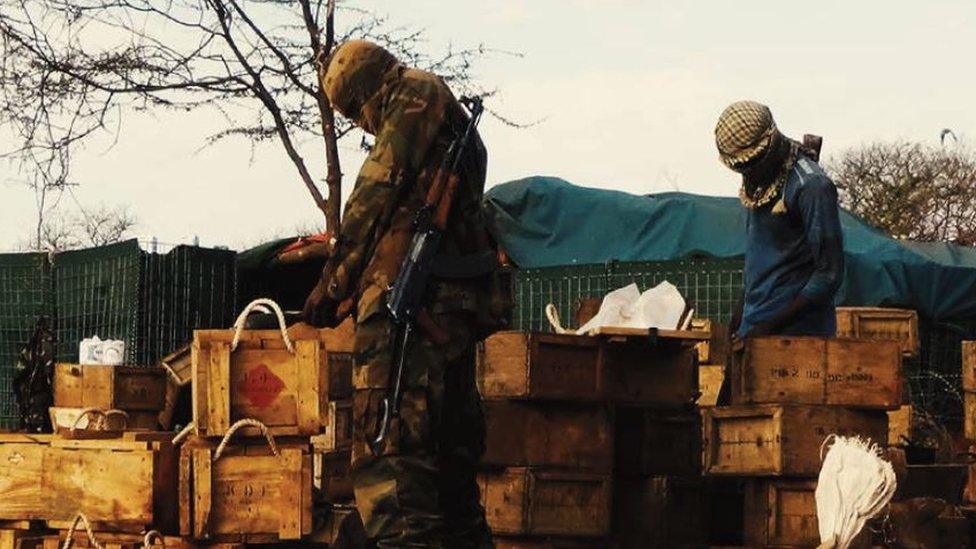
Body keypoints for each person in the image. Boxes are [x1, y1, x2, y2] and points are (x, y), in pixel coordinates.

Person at [303, 40, 495, 548]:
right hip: (449, 314)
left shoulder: (413, 96)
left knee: (394, 475)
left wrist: (332, 284)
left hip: (409, 317)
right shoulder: (446, 116)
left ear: (361, 94)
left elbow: (374, 192)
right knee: (452, 486)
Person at [714, 100, 844, 338]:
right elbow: (760, 261)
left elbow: (829, 274)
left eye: (751, 164)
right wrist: (740, 316)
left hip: (798, 340)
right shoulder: (761, 187)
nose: (747, 172)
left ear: (770, 145)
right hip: (753, 328)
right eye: (740, 167)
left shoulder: (812, 186)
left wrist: (771, 326)